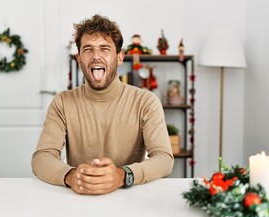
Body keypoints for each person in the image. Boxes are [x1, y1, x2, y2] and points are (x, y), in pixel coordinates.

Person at [32, 14, 174, 195]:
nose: (96, 56)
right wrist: (71, 176)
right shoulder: (62, 102)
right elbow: (41, 158)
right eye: (88, 49)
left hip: (130, 200)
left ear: (120, 57)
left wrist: (122, 175)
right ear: (79, 58)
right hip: (78, 197)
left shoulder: (146, 102)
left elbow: (164, 159)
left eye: (104, 49)